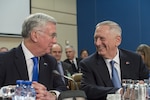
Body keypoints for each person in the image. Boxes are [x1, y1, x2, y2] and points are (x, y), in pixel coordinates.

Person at [0, 13, 67, 100]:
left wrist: (52, 95)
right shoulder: (4, 60)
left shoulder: (50, 61)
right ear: (35, 35)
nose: (55, 41)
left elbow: (61, 88)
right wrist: (12, 92)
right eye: (52, 35)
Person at [79, 20, 149, 100]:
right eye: (95, 38)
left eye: (102, 39)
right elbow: (87, 90)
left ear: (117, 40)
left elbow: (146, 81)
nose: (97, 43)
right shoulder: (88, 64)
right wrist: (119, 92)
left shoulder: (135, 59)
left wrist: (141, 86)